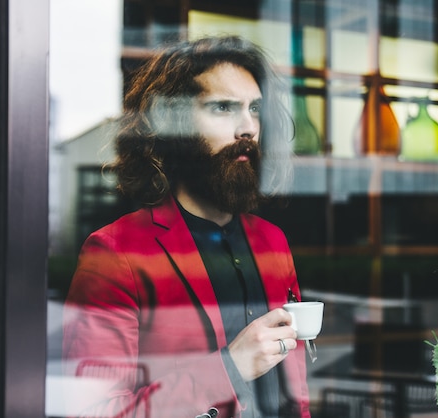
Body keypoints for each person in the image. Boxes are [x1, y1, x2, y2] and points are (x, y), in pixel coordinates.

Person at [63, 35, 310, 418]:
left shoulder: (272, 242)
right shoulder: (115, 254)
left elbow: (294, 391)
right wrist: (229, 368)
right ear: (174, 125)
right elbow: (94, 413)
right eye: (224, 107)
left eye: (255, 109)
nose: (247, 127)